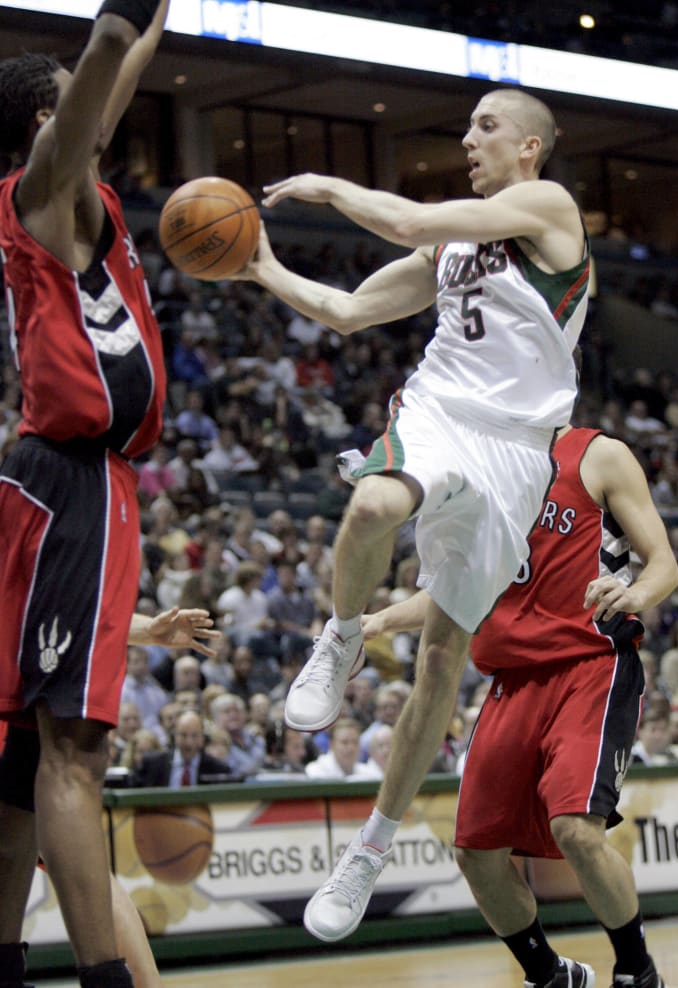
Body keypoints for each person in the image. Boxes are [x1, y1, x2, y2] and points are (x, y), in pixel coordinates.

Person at [236, 85, 589, 902]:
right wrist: (263, 267)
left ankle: (369, 849)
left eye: (487, 127)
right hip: (439, 411)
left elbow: (408, 220)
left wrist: (329, 188)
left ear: (530, 148)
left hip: (517, 453)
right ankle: (343, 632)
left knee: (441, 660)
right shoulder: (452, 255)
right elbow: (352, 312)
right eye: (468, 128)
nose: (470, 140)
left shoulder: (549, 205)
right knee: (371, 504)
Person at [311, 426, 678, 988]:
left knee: (576, 830)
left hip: (590, 665)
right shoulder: (479, 466)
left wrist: (637, 594)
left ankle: (637, 971)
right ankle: (550, 975)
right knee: (476, 855)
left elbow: (664, 565)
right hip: (510, 679)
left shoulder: (598, 454)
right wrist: (379, 620)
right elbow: (454, 590)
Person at [0, 4, 171, 986]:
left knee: (22, 758)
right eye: (74, 107)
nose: (96, 113)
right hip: (74, 477)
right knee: (72, 748)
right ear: (42, 121)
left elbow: (120, 67)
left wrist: (157, 24)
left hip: (37, 478)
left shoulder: (61, 189)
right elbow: (107, 51)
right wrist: (122, 21)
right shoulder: (48, 183)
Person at [0, 603, 218, 988]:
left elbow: (69, 610)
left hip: (20, 734)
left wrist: (148, 629)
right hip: (27, 732)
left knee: (87, 872)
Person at [133, 710, 231, 787]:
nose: (189, 743)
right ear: (175, 736)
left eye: (194, 736)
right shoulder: (152, 764)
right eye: (183, 735)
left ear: (202, 738)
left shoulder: (218, 770)